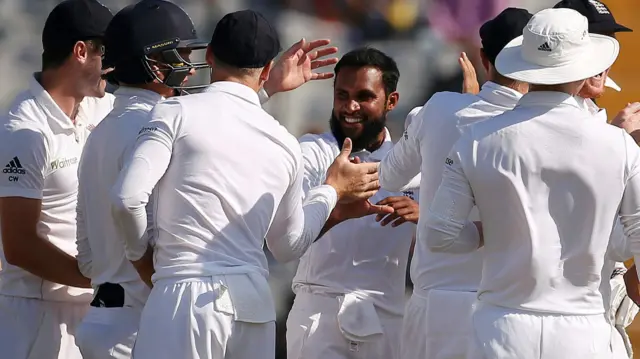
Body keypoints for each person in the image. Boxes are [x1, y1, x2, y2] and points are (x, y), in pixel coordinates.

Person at [109, 9, 381, 359]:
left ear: (208, 56)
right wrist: (330, 190)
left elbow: (126, 198)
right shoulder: (284, 142)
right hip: (254, 305)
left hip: (184, 296)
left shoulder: (174, 113)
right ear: (267, 70)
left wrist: (141, 259)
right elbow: (287, 246)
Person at [422, 8, 638, 358]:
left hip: (501, 328)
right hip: (583, 330)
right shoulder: (619, 144)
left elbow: (439, 236)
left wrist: (483, 231)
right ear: (583, 66)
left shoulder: (478, 139)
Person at [377, 8, 532, 359]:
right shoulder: (545, 127)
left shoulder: (440, 108)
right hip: (504, 314)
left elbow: (389, 176)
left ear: (483, 58)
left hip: (434, 305)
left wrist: (461, 106)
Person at [74, 1, 209, 358]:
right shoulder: (161, 127)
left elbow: (87, 260)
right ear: (153, 61)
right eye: (179, 55)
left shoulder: (97, 133)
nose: (190, 69)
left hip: (100, 324)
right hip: (141, 329)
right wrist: (144, 269)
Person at [285, 47, 419, 359]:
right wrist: (339, 211)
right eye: (342, 95)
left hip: (388, 321)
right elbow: (286, 238)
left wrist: (424, 217)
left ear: (392, 102)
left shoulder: (412, 165)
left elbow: (455, 235)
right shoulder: (311, 153)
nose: (350, 107)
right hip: (318, 317)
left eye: (364, 96)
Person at [0, 1, 114, 358]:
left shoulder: (104, 107)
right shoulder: (23, 130)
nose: (117, 64)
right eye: (108, 52)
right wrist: (102, 278)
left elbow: (180, 123)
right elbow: (18, 246)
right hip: (33, 319)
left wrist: (260, 88)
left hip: (92, 312)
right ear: (81, 51)